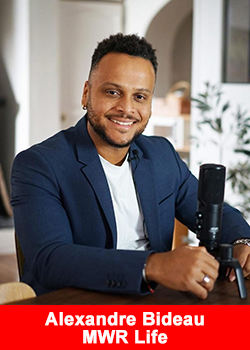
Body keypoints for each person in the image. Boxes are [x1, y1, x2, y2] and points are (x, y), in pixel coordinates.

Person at [11, 33, 250, 299]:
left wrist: (242, 241)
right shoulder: (39, 164)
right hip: (77, 314)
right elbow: (50, 260)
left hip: (155, 305)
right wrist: (154, 266)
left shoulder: (161, 155)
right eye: (113, 92)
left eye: (139, 97)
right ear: (86, 93)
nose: (126, 109)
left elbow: (211, 212)